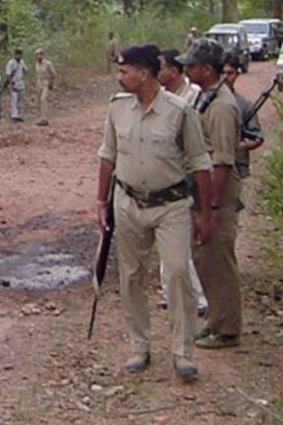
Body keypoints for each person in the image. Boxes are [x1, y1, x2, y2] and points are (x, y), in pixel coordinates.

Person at [97, 44, 213, 381]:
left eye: (125, 71)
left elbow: (200, 163)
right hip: (128, 202)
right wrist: (101, 201)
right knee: (132, 276)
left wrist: (205, 213)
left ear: (144, 74)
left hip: (171, 206)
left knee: (177, 273)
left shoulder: (179, 112)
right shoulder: (117, 108)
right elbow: (108, 155)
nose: (120, 77)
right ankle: (139, 347)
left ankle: (182, 352)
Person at [177, 39, 244, 350]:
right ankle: (216, 320)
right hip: (203, 191)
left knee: (218, 260)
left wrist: (211, 208)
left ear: (207, 69)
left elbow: (222, 161)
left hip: (218, 194)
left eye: (191, 66)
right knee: (206, 259)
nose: (186, 70)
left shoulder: (221, 107)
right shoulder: (207, 98)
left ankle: (227, 328)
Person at [155, 49, 209, 315]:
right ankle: (170, 292)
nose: (157, 72)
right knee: (168, 242)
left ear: (173, 71)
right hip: (167, 176)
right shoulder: (161, 97)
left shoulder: (193, 97)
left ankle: (198, 298)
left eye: (161, 67)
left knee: (181, 243)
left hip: (188, 177)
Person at [223, 55, 263, 179]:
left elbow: (257, 137)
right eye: (222, 73)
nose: (225, 77)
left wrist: (239, 146)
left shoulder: (245, 105)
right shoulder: (204, 100)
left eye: (230, 73)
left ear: (237, 74)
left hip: (236, 166)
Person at [33, 49, 57, 126]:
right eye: (36, 55)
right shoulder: (36, 64)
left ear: (42, 55)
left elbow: (53, 74)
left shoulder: (47, 64)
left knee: (43, 99)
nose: (38, 56)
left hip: (46, 82)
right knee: (38, 101)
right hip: (39, 82)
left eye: (39, 54)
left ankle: (44, 118)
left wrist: (51, 83)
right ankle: (41, 117)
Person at [5, 49, 28, 122]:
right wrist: (11, 84)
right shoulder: (11, 63)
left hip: (21, 83)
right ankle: (14, 116)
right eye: (17, 55)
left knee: (20, 100)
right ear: (14, 55)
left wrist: (23, 76)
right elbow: (8, 74)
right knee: (14, 100)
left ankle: (20, 115)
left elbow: (25, 70)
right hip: (14, 83)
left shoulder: (22, 62)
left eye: (19, 55)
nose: (18, 56)